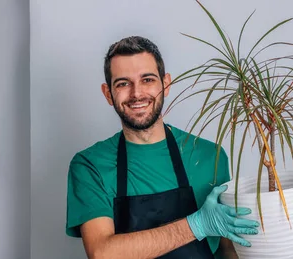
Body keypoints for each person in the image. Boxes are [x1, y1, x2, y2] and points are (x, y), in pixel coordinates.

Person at [64, 36, 261, 259]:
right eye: (123, 83)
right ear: (108, 93)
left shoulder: (210, 156)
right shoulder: (90, 165)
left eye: (147, 80)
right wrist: (196, 225)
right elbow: (102, 253)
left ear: (166, 84)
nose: (137, 93)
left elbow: (228, 249)